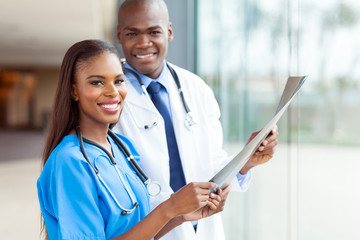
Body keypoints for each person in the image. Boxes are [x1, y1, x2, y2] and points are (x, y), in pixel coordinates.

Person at [114, 0, 279, 239]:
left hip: (205, 229)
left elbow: (211, 163)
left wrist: (246, 161)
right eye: (132, 33)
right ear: (119, 35)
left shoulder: (197, 89)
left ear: (169, 32)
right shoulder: (110, 96)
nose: (143, 43)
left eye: (154, 32)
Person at [37, 39, 226, 240]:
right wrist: (169, 209)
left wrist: (181, 216)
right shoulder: (70, 162)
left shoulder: (122, 147)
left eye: (118, 81)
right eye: (97, 82)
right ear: (74, 90)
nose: (112, 92)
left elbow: (139, 231)